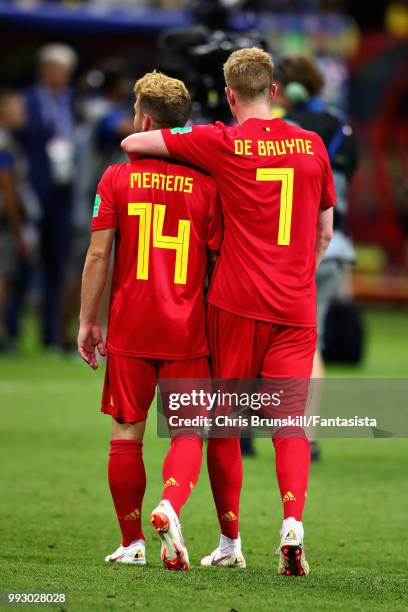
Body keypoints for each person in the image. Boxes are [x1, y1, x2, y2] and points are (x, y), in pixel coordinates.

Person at [121, 47, 335, 576]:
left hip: (235, 303)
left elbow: (135, 141)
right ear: (276, 92)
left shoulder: (222, 141)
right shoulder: (312, 146)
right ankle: (292, 523)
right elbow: (325, 231)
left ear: (231, 96)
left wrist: (181, 148)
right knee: (290, 426)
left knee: (221, 425)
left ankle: (225, 536)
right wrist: (295, 273)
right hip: (294, 306)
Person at [78, 71, 222, 570]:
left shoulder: (115, 178)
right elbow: (220, 261)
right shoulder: (209, 185)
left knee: (126, 433)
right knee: (187, 433)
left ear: (142, 119)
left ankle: (131, 541)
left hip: (131, 325)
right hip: (188, 327)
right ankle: (170, 505)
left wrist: (87, 322)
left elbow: (98, 256)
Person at [273, 54, 358, 460]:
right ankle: (307, 435)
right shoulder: (341, 124)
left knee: (270, 340)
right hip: (337, 244)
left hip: (295, 246)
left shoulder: (290, 129)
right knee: (312, 342)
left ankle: (250, 431)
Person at [13, 44, 77, 349]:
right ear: (44, 70)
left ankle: (51, 335)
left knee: (58, 264)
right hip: (31, 192)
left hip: (63, 191)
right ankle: (10, 332)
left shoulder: (72, 101)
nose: (60, 75)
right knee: (22, 262)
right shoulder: (25, 101)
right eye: (56, 69)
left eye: (65, 70)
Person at [0, 91, 39, 350]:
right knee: (2, 279)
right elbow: (7, 188)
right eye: (17, 108)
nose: (23, 112)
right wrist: (17, 230)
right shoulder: (4, 144)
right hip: (3, 224)